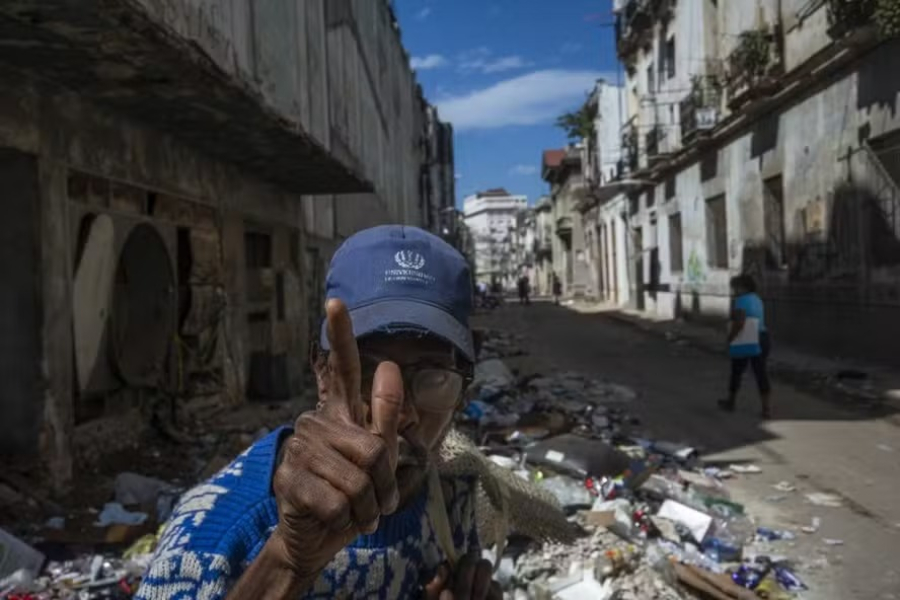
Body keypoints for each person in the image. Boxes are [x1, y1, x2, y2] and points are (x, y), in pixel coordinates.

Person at [136, 225, 501, 600]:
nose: (400, 413)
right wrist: (288, 562)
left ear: (463, 390)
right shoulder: (213, 538)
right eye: (366, 372)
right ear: (321, 372)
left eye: (433, 376)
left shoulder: (451, 492)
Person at [719, 274, 772, 419]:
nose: (734, 291)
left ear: (742, 287)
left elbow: (739, 323)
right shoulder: (757, 299)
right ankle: (766, 408)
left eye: (735, 287)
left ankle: (731, 402)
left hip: (747, 335)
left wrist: (729, 339)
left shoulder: (740, 301)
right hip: (762, 336)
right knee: (761, 373)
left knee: (737, 370)